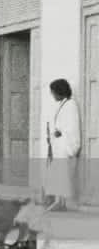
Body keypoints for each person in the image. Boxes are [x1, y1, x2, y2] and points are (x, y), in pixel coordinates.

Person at [45, 78, 81, 211]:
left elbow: (72, 126)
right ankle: (58, 201)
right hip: (59, 144)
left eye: (53, 92)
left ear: (60, 92)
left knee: (62, 173)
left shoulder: (70, 105)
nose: (52, 95)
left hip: (65, 144)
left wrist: (60, 132)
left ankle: (61, 202)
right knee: (57, 173)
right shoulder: (63, 104)